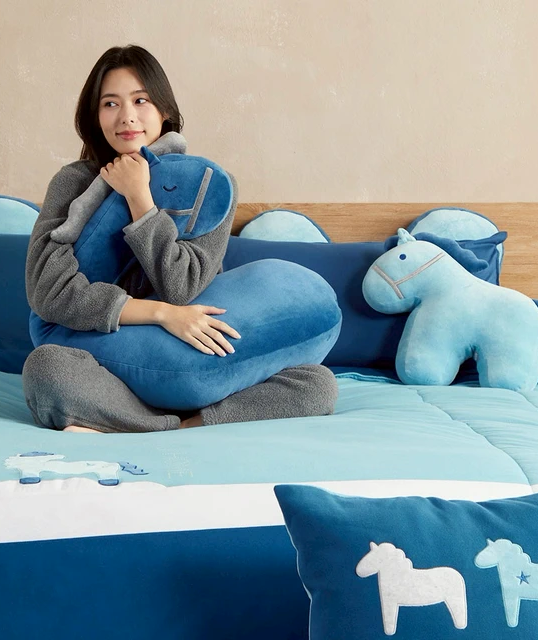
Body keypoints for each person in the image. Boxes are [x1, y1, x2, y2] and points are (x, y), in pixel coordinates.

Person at [22, 44, 338, 433]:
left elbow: (181, 287)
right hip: (109, 366)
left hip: (197, 356)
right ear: (95, 115)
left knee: (317, 385)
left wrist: (140, 199)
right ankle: (165, 423)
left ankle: (177, 422)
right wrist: (162, 314)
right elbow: (48, 293)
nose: (127, 116)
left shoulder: (208, 186)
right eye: (110, 103)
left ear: (165, 110)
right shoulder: (73, 183)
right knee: (46, 368)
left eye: (141, 100)